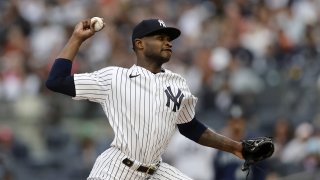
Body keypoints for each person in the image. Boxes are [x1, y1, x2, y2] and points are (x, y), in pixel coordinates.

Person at [46, 18, 249, 180]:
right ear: (140, 44)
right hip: (116, 169)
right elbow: (56, 81)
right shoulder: (114, 77)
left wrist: (237, 148)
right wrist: (77, 39)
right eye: (160, 37)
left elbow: (191, 128)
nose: (168, 42)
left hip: (156, 171)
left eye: (169, 38)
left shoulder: (178, 83)